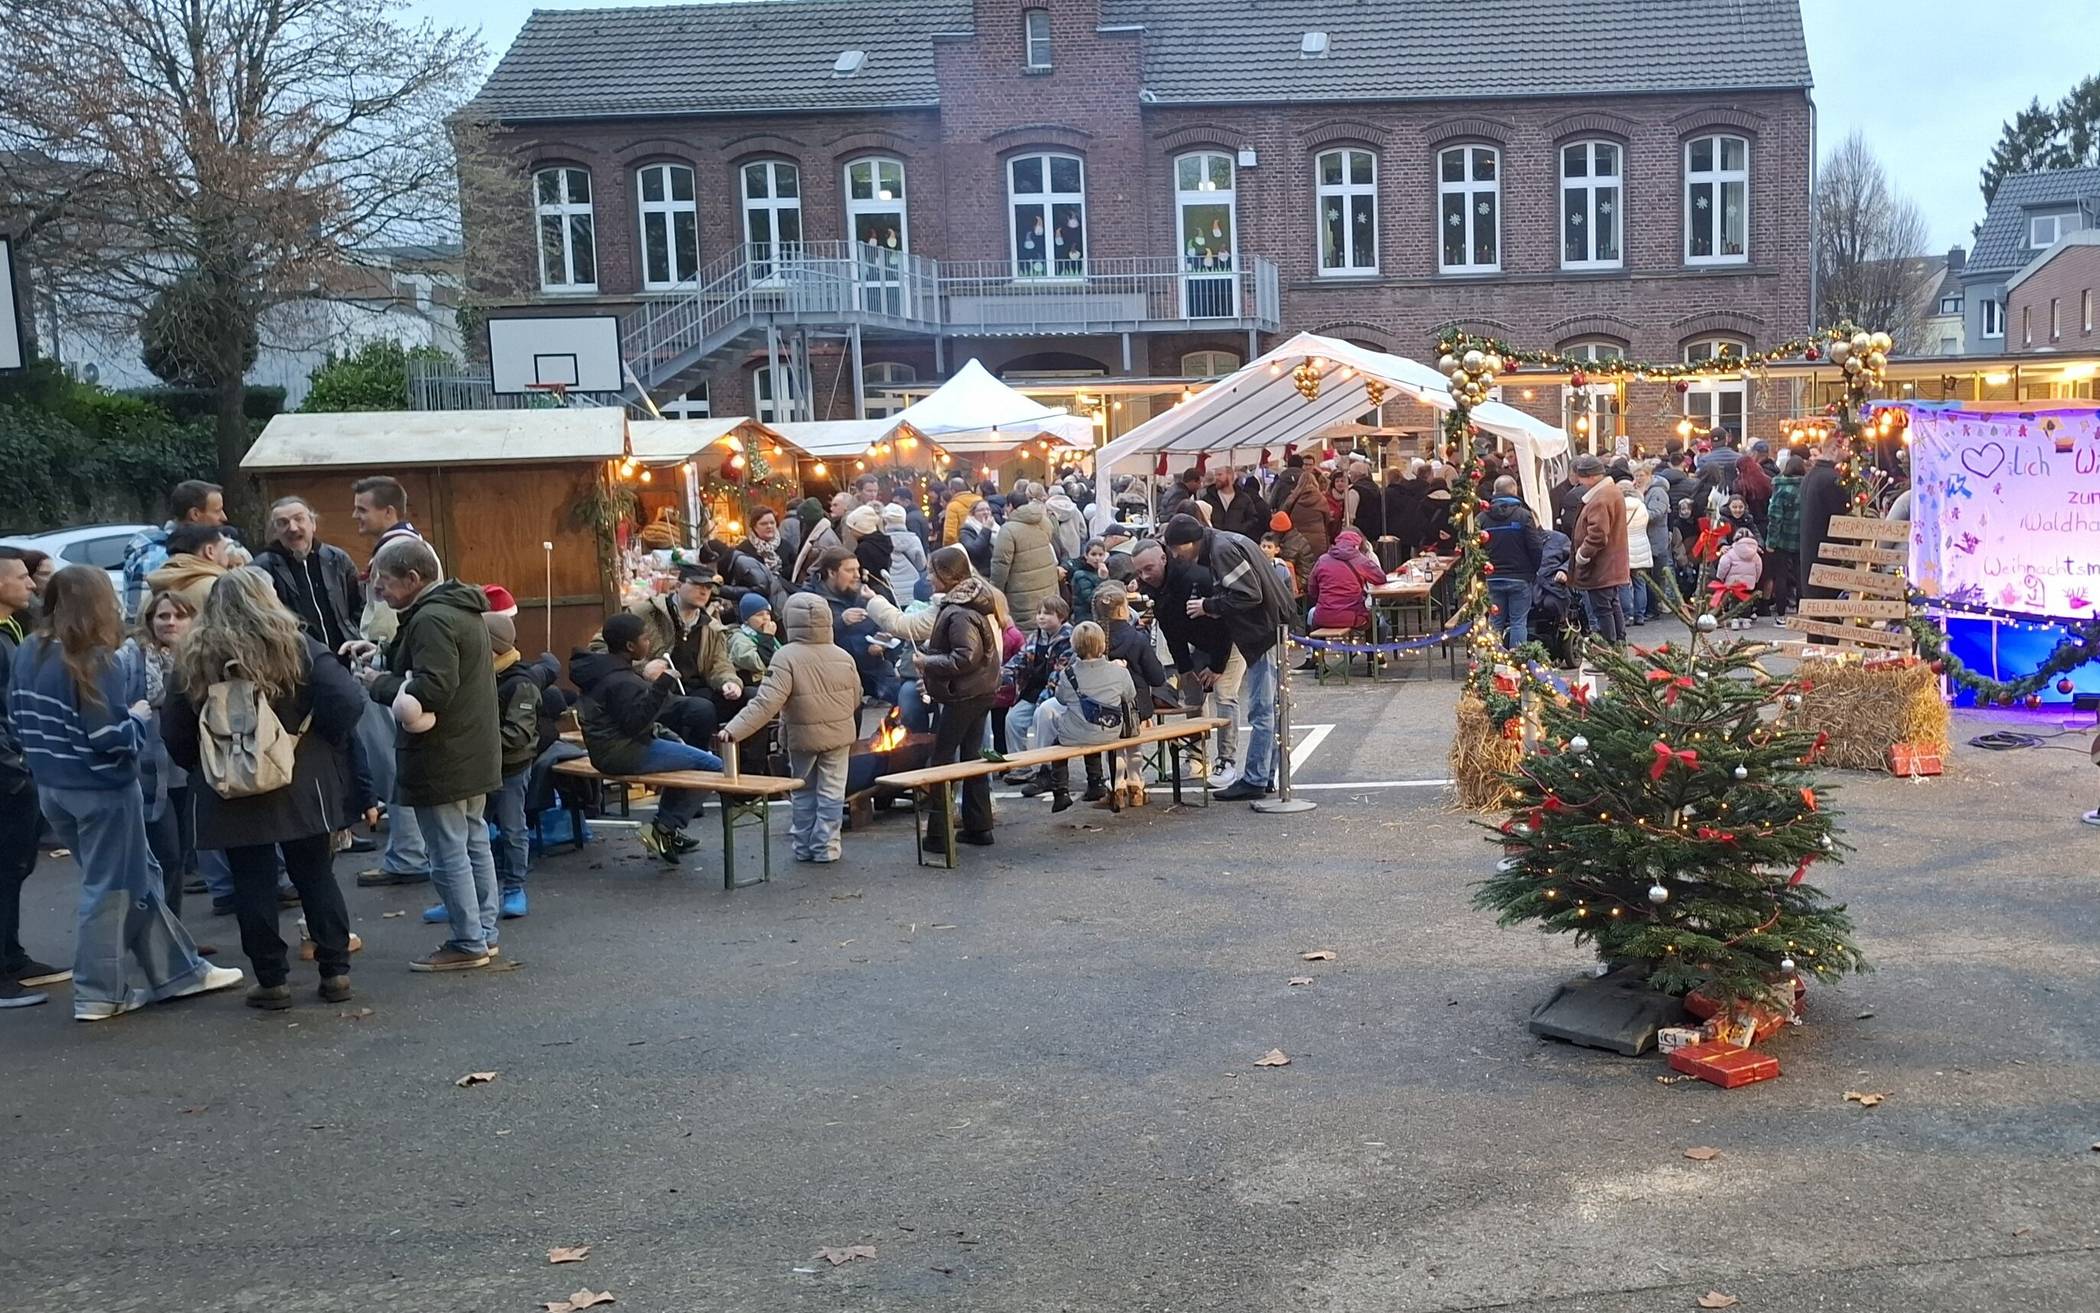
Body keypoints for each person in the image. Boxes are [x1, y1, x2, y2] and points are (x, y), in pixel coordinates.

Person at [11, 565, 244, 1019]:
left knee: (138, 878)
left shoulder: (28, 649)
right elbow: (112, 740)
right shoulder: (96, 658)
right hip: (102, 788)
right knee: (112, 890)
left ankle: (178, 972)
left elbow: (19, 720)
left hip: (52, 786)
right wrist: (138, 715)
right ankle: (100, 992)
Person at [160, 570, 362, 1009]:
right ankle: (334, 973)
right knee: (315, 874)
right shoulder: (297, 646)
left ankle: (272, 981)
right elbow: (347, 701)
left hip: (228, 786)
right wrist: (319, 743)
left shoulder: (194, 657)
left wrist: (204, 764)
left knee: (251, 881)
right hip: (299, 777)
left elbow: (173, 729)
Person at [353, 537, 503, 972]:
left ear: (413, 579)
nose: (379, 590)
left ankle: (467, 940)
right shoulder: (457, 608)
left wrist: (377, 684)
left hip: (443, 753)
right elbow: (434, 670)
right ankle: (483, 934)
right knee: (473, 843)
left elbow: (433, 687)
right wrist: (384, 657)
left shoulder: (431, 618)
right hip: (472, 748)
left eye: (384, 581)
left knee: (448, 851)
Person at [1159, 513, 1292, 803]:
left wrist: (1208, 605)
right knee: (1268, 707)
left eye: (1175, 549)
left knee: (1262, 709)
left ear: (1189, 542)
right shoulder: (1227, 540)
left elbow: (1249, 595)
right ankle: (1264, 776)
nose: (1174, 555)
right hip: (1270, 628)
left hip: (1262, 632)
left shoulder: (1221, 549)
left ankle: (1256, 778)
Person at [720, 593, 861, 863]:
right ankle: (827, 846)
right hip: (840, 735)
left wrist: (735, 730)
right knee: (833, 791)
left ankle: (804, 846)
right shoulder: (843, 655)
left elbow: (766, 703)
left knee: (803, 789)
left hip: (802, 736)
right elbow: (856, 697)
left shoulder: (785, 656)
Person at [571, 614, 723, 864]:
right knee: (712, 765)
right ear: (630, 646)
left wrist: (669, 737)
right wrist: (661, 686)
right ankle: (665, 828)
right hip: (623, 752)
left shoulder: (603, 670)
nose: (649, 643)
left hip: (609, 749)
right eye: (645, 638)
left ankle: (667, 830)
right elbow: (636, 724)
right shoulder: (622, 680)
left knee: (684, 756)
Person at [0, 548, 67, 1009]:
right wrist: (16, 769)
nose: (31, 584)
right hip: (8, 774)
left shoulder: (14, 629)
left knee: (15, 869)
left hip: (18, 770)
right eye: (21, 576)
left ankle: (12, 956)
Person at [912, 551, 1003, 851]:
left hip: (964, 693)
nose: (928, 578)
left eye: (931, 572)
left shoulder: (960, 610)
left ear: (948, 575)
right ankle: (979, 826)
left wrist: (928, 662)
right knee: (972, 758)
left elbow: (965, 657)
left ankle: (939, 833)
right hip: (977, 690)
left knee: (942, 760)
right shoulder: (966, 604)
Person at [1131, 538, 1240, 782]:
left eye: (1148, 569)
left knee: (1224, 694)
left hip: (1233, 638)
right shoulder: (1149, 588)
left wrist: (1217, 666)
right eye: (1139, 571)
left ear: (1163, 558)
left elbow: (1225, 624)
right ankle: (1198, 761)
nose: (1144, 576)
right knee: (1192, 694)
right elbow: (1171, 631)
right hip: (1199, 642)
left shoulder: (1196, 577)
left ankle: (1227, 760)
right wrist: (1185, 668)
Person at [124, 589, 199, 919]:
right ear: (149, 620)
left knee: (180, 855)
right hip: (148, 770)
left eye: (179, 616)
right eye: (163, 616)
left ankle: (175, 936)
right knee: (165, 854)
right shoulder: (132, 657)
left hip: (187, 766)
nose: (170, 622)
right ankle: (159, 940)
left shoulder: (198, 656)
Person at [1038, 621, 1137, 813]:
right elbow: (1130, 695)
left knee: (1062, 742)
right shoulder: (1119, 671)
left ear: (1075, 645)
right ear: (1102, 645)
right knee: (1094, 733)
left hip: (1076, 733)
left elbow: (1061, 699)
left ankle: (1061, 792)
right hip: (1110, 730)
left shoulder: (1068, 674)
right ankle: (1096, 783)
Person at [252, 496, 360, 655]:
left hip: (345, 654)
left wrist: (354, 635)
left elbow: (359, 604)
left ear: (313, 524)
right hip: (296, 660)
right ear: (275, 532)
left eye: (299, 519)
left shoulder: (337, 559)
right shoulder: (261, 570)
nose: (293, 528)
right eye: (283, 523)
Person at [122, 479, 226, 623]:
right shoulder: (155, 557)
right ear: (195, 514)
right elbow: (139, 620)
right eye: (217, 511)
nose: (224, 518)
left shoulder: (181, 552)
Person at [1002, 596, 1074, 794]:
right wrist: (1001, 675)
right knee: (1013, 719)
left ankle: (1047, 769)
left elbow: (1059, 674)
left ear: (1061, 617)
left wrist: (1043, 699)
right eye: (1039, 613)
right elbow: (1020, 660)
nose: (1041, 617)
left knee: (1042, 716)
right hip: (1033, 690)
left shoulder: (1069, 639)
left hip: (1057, 694)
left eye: (1047, 613)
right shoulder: (1035, 637)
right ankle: (1020, 766)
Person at [1567, 454, 1630, 647]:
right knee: (1612, 604)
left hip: (1601, 566)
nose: (1579, 481)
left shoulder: (1600, 499)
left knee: (1603, 608)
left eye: (1581, 477)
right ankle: (1619, 644)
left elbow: (1598, 534)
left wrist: (1582, 555)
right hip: (1613, 564)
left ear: (1591, 476)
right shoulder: (1612, 492)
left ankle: (1608, 649)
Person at [1480, 477, 1544, 646]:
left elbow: (1476, 549)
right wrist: (1533, 570)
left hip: (1492, 577)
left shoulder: (1482, 518)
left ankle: (1493, 661)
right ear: (1515, 491)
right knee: (1518, 622)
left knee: (1495, 622)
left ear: (1495, 492)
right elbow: (1536, 546)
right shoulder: (1523, 516)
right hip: (1520, 577)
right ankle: (1517, 661)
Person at [991, 495, 1059, 623]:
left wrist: (996, 592)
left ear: (1010, 506)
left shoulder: (1008, 530)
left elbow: (1001, 564)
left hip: (1021, 593)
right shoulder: (1044, 521)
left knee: (1026, 630)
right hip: (1047, 584)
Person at [1307, 529, 1385, 632]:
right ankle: (1370, 648)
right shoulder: (1361, 560)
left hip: (1324, 616)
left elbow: (1312, 587)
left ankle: (1318, 647)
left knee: (1313, 619)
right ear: (1356, 545)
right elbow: (1381, 578)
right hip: (1352, 617)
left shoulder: (1322, 560)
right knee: (1374, 621)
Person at [145, 523, 234, 611]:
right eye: (224, 549)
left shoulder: (150, 596)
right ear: (209, 551)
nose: (228, 556)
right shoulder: (220, 590)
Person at [1765, 450, 1803, 621]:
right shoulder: (1806, 487)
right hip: (1802, 537)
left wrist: (1771, 541)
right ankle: (1802, 610)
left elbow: (1775, 516)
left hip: (1782, 538)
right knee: (1800, 574)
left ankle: (1781, 613)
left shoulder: (1780, 488)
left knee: (1780, 576)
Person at [1200, 465, 1267, 541]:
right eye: (1215, 475)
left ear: (1230, 476)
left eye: (1219, 475)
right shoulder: (1208, 499)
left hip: (1237, 540)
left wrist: (1240, 529)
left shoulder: (1244, 498)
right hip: (1215, 541)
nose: (1216, 478)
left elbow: (1253, 518)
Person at [1620, 478, 1654, 626]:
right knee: (1640, 583)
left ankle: (1627, 615)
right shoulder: (1641, 506)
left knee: (1624, 583)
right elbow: (1646, 523)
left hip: (1623, 547)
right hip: (1640, 544)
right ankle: (1639, 615)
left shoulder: (1618, 506)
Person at [1714, 531, 1765, 628]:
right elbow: (1759, 568)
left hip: (1733, 583)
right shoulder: (1755, 554)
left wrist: (1721, 577)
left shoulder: (1731, 552)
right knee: (1747, 601)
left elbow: (1723, 565)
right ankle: (1746, 620)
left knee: (1734, 601)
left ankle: (1735, 620)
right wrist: (1756, 580)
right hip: (1749, 583)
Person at [1281, 463, 1332, 556]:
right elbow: (1327, 519)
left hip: (1297, 539)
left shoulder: (1292, 498)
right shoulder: (1321, 499)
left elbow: (1283, 515)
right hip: (1318, 541)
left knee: (1301, 566)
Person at [728, 592, 779, 681]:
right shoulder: (739, 638)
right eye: (759, 615)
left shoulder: (764, 634)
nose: (766, 618)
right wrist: (767, 637)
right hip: (753, 683)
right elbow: (758, 663)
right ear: (746, 620)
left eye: (767, 613)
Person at [885, 503, 929, 603]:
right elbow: (921, 564)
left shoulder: (882, 541)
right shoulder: (913, 539)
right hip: (911, 588)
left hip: (892, 588)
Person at [1266, 513, 1316, 598]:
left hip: (1301, 579)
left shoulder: (1291, 544)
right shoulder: (1292, 537)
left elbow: (1287, 566)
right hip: (1305, 575)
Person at [1342, 458, 1386, 544]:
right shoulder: (1375, 487)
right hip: (1375, 531)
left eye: (1350, 474)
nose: (1350, 476)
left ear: (1355, 474)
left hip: (1359, 534)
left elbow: (1349, 517)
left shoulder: (1354, 491)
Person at [1067, 538, 1110, 621]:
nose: (1097, 558)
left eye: (1100, 555)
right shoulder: (1080, 574)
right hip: (1085, 618)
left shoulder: (1103, 571)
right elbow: (1091, 599)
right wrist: (1102, 579)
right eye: (1093, 554)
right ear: (1086, 555)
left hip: (1100, 616)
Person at [1044, 485, 1087, 562]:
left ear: (1049, 494)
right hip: (1074, 549)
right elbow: (1083, 532)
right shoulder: (1075, 510)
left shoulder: (1046, 510)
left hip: (1055, 550)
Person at [743, 506, 787, 578]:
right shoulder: (744, 550)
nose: (769, 526)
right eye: (763, 524)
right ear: (754, 527)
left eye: (772, 523)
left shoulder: (786, 547)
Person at [939, 477, 982, 547]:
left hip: (963, 547)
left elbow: (950, 535)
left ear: (952, 491)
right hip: (982, 544)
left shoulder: (953, 506)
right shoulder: (980, 501)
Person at [960, 498, 997, 575]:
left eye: (988, 509)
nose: (986, 512)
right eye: (981, 510)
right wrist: (986, 529)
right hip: (981, 573)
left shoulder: (997, 527)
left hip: (995, 571)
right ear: (972, 514)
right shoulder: (966, 530)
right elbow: (975, 551)